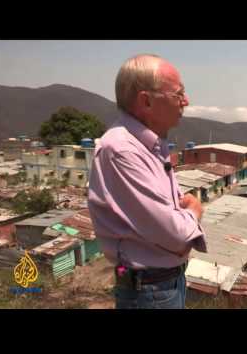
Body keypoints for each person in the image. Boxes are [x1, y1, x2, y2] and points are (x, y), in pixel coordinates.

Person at [88, 54, 207, 309]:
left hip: (162, 285)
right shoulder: (122, 151)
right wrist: (194, 212)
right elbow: (174, 235)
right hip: (150, 292)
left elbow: (166, 215)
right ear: (146, 101)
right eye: (178, 94)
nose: (186, 101)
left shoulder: (149, 145)